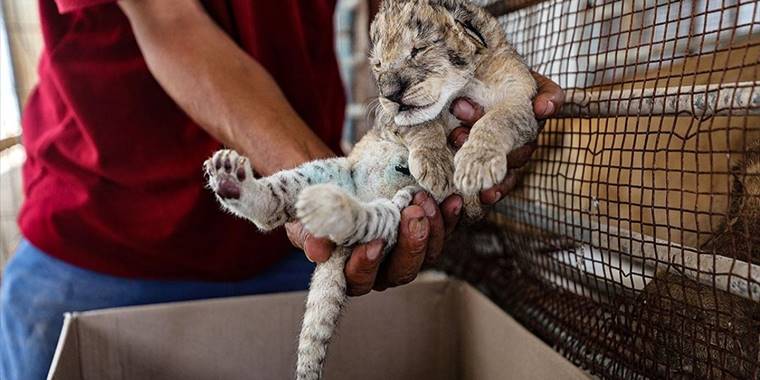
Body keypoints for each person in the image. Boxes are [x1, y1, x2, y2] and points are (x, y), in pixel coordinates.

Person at [0, 1, 564, 379]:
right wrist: (328, 182)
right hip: (99, 248)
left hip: (278, 261)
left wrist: (457, 90)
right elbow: (170, 20)